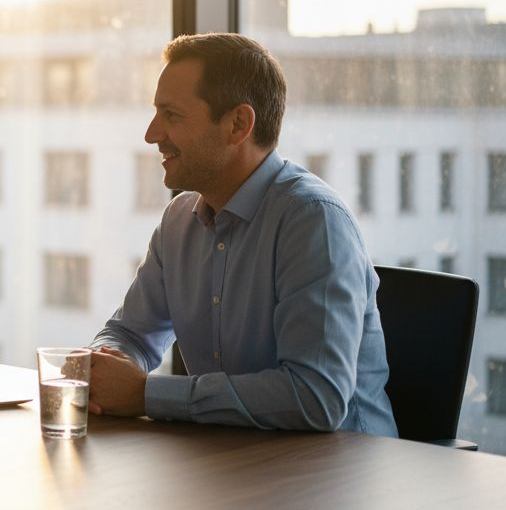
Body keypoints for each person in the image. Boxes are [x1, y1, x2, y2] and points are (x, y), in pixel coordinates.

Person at [88, 33, 397, 435]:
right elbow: (130, 333)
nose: (152, 134)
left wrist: (145, 395)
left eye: (172, 115)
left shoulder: (313, 220)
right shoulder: (179, 221)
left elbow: (316, 397)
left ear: (238, 124)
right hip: (235, 465)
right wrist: (102, 368)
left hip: (342, 478)